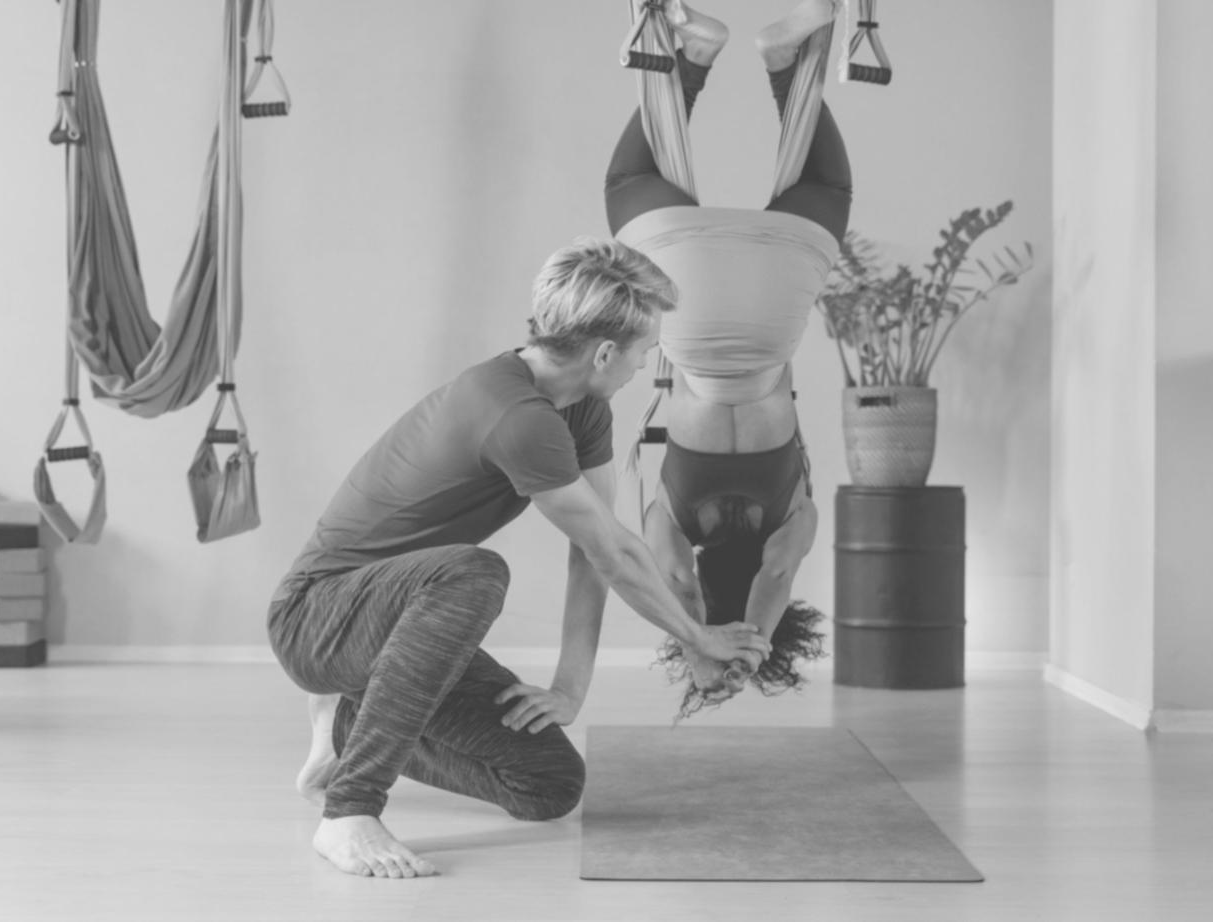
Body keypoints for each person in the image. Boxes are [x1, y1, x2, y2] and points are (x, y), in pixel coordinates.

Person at [267, 238, 772, 878]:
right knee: (475, 573)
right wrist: (697, 638)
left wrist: (569, 688)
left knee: (549, 787)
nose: (647, 364)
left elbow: (597, 546)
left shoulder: (582, 407)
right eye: (647, 350)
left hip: (399, 624)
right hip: (317, 618)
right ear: (606, 352)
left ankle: (347, 725)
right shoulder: (516, 414)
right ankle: (349, 811)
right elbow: (615, 552)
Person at [604, 0, 850, 714]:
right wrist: (699, 646)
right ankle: (692, 60)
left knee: (824, 191)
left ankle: (784, 67)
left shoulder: (793, 524)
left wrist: (754, 644)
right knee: (629, 187)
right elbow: (679, 587)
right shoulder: (672, 529)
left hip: (772, 319)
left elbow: (776, 577)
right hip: (690, 313)